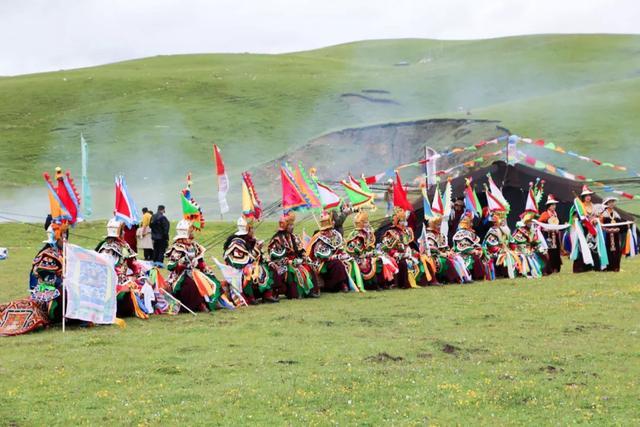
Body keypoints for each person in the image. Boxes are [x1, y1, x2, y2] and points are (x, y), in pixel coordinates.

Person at [96, 218, 152, 319]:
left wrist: (138, 274)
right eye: (122, 230)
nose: (124, 232)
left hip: (124, 277)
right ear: (119, 232)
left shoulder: (124, 245)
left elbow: (132, 263)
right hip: (113, 279)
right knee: (131, 286)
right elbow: (106, 266)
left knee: (142, 283)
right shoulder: (108, 249)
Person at [165, 219, 224, 312]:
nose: (192, 234)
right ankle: (198, 305)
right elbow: (171, 266)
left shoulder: (194, 246)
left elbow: (200, 261)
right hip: (181, 275)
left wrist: (204, 267)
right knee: (191, 285)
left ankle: (214, 301)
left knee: (211, 279)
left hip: (195, 272)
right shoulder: (178, 248)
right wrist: (182, 262)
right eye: (190, 232)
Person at [223, 216, 278, 304]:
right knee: (248, 270)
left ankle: (267, 295)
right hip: (238, 271)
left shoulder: (252, 240)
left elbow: (262, 255)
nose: (253, 231)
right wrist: (256, 249)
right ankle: (250, 297)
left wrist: (270, 262)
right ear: (247, 230)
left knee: (267, 267)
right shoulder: (236, 243)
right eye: (251, 229)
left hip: (252, 267)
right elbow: (242, 261)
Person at [267, 212, 317, 299]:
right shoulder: (277, 240)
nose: (292, 227)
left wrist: (305, 257)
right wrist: (289, 261)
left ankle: (310, 291)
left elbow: (300, 251)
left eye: (292, 225)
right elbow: (275, 257)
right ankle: (297, 293)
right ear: (285, 226)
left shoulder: (294, 237)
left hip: (296, 261)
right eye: (290, 225)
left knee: (308, 266)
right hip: (285, 264)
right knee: (294, 271)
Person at [307, 211, 359, 292]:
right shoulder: (319, 238)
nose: (328, 231)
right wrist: (335, 256)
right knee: (337, 264)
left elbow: (340, 248)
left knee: (350, 261)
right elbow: (321, 254)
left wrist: (343, 255)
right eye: (326, 229)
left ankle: (350, 283)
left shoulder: (336, 234)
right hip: (322, 262)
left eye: (329, 228)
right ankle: (336, 285)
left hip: (334, 258)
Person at [423, 215, 471, 284]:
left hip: (442, 255)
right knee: (446, 261)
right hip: (432, 256)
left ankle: (464, 277)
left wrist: (449, 252)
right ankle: (455, 279)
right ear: (432, 225)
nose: (439, 226)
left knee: (458, 258)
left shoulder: (441, 235)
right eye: (437, 224)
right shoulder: (429, 235)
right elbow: (431, 249)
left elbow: (445, 247)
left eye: (440, 224)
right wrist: (443, 254)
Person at [380, 208, 421, 288]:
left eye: (404, 220)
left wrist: (411, 252)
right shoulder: (391, 233)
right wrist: (396, 254)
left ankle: (422, 281)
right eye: (402, 221)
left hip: (408, 253)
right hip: (395, 256)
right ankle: (403, 283)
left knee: (421, 257)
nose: (404, 223)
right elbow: (385, 248)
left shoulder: (407, 231)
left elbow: (409, 244)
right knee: (403, 262)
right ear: (397, 221)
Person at [571, 185, 601, 273]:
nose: (588, 197)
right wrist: (582, 220)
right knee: (583, 246)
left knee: (594, 247)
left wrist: (595, 220)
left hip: (592, 229)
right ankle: (583, 267)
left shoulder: (594, 206)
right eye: (586, 195)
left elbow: (597, 216)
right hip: (584, 229)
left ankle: (594, 266)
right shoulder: (580, 207)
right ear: (583, 197)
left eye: (589, 195)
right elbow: (575, 217)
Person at [451, 211, 486, 281]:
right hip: (461, 254)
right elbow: (463, 246)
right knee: (474, 258)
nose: (472, 224)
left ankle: (480, 276)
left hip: (468, 252)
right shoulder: (462, 233)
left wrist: (479, 249)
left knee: (483, 254)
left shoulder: (469, 233)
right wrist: (474, 251)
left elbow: (475, 244)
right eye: (470, 222)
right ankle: (477, 276)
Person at [538, 194, 562, 274]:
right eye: (552, 205)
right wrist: (545, 229)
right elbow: (539, 225)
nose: (554, 206)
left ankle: (556, 268)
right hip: (548, 236)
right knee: (550, 251)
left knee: (556, 251)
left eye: (554, 205)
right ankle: (550, 268)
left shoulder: (556, 214)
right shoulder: (544, 214)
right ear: (548, 206)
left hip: (555, 236)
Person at [600, 197, 623, 272]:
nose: (612, 203)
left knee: (617, 250)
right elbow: (600, 224)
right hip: (606, 235)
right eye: (610, 202)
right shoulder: (603, 213)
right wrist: (606, 229)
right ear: (606, 204)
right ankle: (608, 267)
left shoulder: (615, 213)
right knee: (607, 250)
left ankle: (616, 267)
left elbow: (620, 223)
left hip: (615, 235)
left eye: (613, 202)